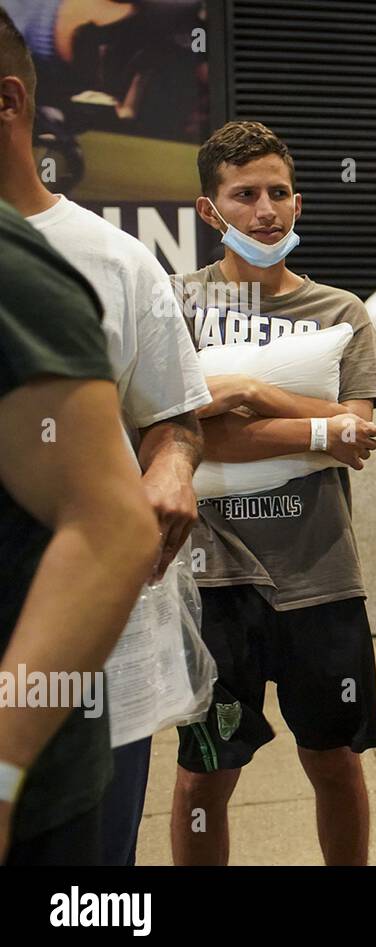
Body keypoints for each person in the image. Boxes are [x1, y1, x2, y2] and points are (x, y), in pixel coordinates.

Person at [0, 7, 210, 865]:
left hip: (101, 666)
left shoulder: (110, 261)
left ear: (7, 100)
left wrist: (172, 468)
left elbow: (175, 419)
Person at [170, 120, 376, 866]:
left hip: (319, 577)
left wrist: (245, 391)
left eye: (278, 193)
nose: (264, 210)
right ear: (210, 210)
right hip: (208, 580)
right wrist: (317, 426)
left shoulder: (341, 314)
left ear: (298, 204)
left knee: (335, 761)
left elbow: (358, 440)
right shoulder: (172, 304)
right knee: (207, 775)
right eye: (244, 195)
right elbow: (167, 432)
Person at [0, 199, 159, 865]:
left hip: (36, 787)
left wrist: (4, 775)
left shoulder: (31, 269)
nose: (265, 212)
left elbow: (111, 526)